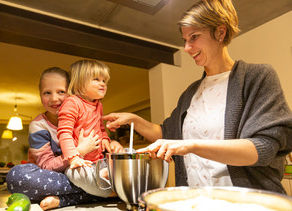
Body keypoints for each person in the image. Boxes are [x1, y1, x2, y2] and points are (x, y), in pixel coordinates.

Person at [102, 0, 292, 194]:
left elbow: (263, 148)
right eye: (185, 40)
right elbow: (167, 133)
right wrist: (134, 120)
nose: (186, 47)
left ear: (220, 32)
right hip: (199, 205)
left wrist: (190, 146)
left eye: (194, 37)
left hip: (248, 208)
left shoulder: (257, 78)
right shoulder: (191, 94)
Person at [6, 67, 123, 210]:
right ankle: (103, 190)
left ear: (74, 92)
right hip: (54, 176)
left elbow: (98, 153)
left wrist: (111, 144)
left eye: (61, 92)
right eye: (47, 93)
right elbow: (47, 166)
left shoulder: (85, 113)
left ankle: (66, 199)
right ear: (40, 95)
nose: (54, 98)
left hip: (86, 172)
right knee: (17, 176)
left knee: (125, 156)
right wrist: (79, 151)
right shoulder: (38, 126)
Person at [57, 59, 116, 198]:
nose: (103, 84)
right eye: (97, 79)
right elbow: (64, 133)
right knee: (76, 175)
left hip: (99, 162)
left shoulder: (98, 105)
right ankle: (110, 193)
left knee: (128, 152)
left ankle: (103, 177)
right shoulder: (72, 103)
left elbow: (100, 126)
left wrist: (105, 138)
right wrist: (73, 158)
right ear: (79, 83)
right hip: (80, 163)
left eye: (104, 81)